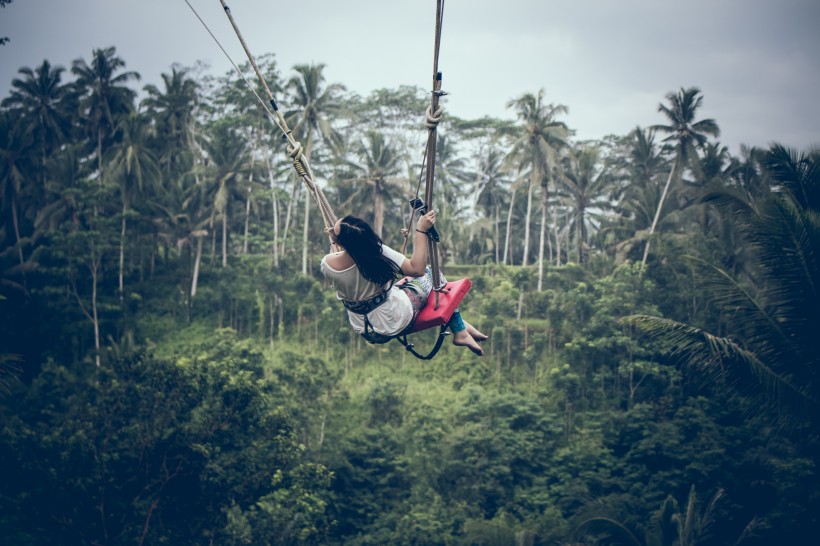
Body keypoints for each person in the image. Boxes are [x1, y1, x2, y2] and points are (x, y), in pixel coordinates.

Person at [320, 210, 487, 356]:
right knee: (431, 274)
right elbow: (417, 270)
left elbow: (338, 256)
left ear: (340, 242)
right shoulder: (378, 252)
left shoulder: (327, 264)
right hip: (394, 321)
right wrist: (421, 230)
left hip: (367, 330)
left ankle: (460, 326)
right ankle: (460, 331)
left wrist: (335, 240)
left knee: (404, 286)